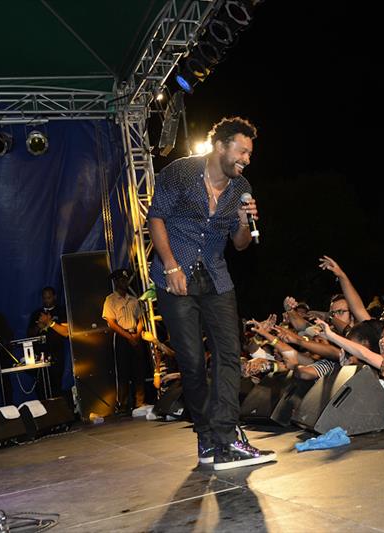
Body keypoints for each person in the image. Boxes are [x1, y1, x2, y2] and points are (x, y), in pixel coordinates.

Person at [147, 116, 275, 470]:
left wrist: (246, 221)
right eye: (242, 151)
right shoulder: (181, 173)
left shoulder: (240, 187)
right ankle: (207, 438)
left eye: (250, 153)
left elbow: (240, 243)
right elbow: (155, 218)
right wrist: (171, 265)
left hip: (217, 278)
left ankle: (226, 436)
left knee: (229, 356)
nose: (247, 159)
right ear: (220, 145)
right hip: (177, 277)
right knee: (190, 363)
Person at [102, 269, 149, 414]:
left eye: (125, 280)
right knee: (123, 371)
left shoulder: (133, 300)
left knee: (138, 369)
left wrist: (137, 334)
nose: (124, 282)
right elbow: (111, 322)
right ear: (116, 282)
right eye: (121, 280)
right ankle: (123, 404)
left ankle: (139, 401)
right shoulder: (110, 299)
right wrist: (128, 337)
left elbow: (140, 319)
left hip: (135, 334)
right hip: (122, 336)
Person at [27, 286, 70, 402]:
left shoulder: (61, 311)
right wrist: (38, 326)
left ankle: (61, 414)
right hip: (40, 357)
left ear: (54, 297)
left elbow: (66, 332)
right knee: (41, 388)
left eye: (49, 297)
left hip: (56, 356)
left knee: (56, 387)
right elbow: (30, 334)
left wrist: (50, 323)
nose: (47, 300)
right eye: (44, 298)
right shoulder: (37, 313)